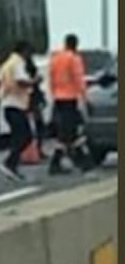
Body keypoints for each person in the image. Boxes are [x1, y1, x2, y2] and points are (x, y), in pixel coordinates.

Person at [47, 34, 91, 174]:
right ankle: (60, 162)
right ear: (76, 44)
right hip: (70, 98)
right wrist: (85, 97)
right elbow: (79, 79)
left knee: (68, 132)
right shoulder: (74, 59)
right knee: (69, 132)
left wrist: (53, 94)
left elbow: (51, 78)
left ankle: (81, 160)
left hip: (58, 98)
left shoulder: (56, 59)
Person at [0, 40, 35, 182]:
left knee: (18, 136)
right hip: (16, 103)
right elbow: (21, 81)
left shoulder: (7, 63)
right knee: (26, 136)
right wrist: (33, 81)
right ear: (24, 50)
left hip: (8, 103)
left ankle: (12, 166)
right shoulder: (18, 63)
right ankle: (9, 162)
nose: (29, 55)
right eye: (29, 52)